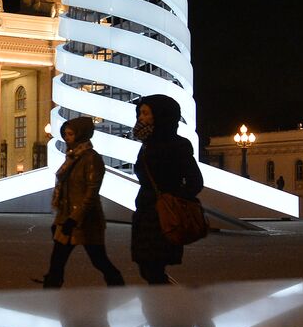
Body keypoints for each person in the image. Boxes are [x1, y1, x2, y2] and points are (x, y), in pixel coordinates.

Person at [36, 116, 125, 288]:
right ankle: (51, 286)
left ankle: (117, 285)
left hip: (87, 221)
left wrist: (74, 218)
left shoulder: (91, 158)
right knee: (58, 259)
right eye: (66, 134)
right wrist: (60, 220)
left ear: (81, 135)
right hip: (68, 218)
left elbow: (91, 193)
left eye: (70, 134)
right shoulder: (72, 157)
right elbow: (67, 191)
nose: (67, 138)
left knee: (98, 259)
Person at [131, 94, 204, 285]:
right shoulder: (146, 144)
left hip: (164, 215)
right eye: (140, 112)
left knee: (153, 269)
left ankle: (171, 308)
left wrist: (171, 199)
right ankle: (171, 305)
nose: (140, 117)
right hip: (145, 213)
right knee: (147, 268)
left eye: (146, 113)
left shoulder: (178, 145)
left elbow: (195, 181)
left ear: (160, 115)